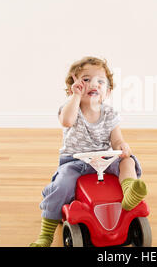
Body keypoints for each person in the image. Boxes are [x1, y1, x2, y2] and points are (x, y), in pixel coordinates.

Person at [29, 56, 147, 247]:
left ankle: (129, 191)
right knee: (61, 185)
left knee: (129, 161)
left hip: (104, 160)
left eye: (100, 81)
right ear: (72, 87)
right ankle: (46, 233)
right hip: (75, 162)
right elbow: (66, 121)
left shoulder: (109, 114)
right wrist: (75, 97)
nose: (93, 84)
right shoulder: (71, 109)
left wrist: (121, 146)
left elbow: (116, 139)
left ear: (107, 91)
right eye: (85, 80)